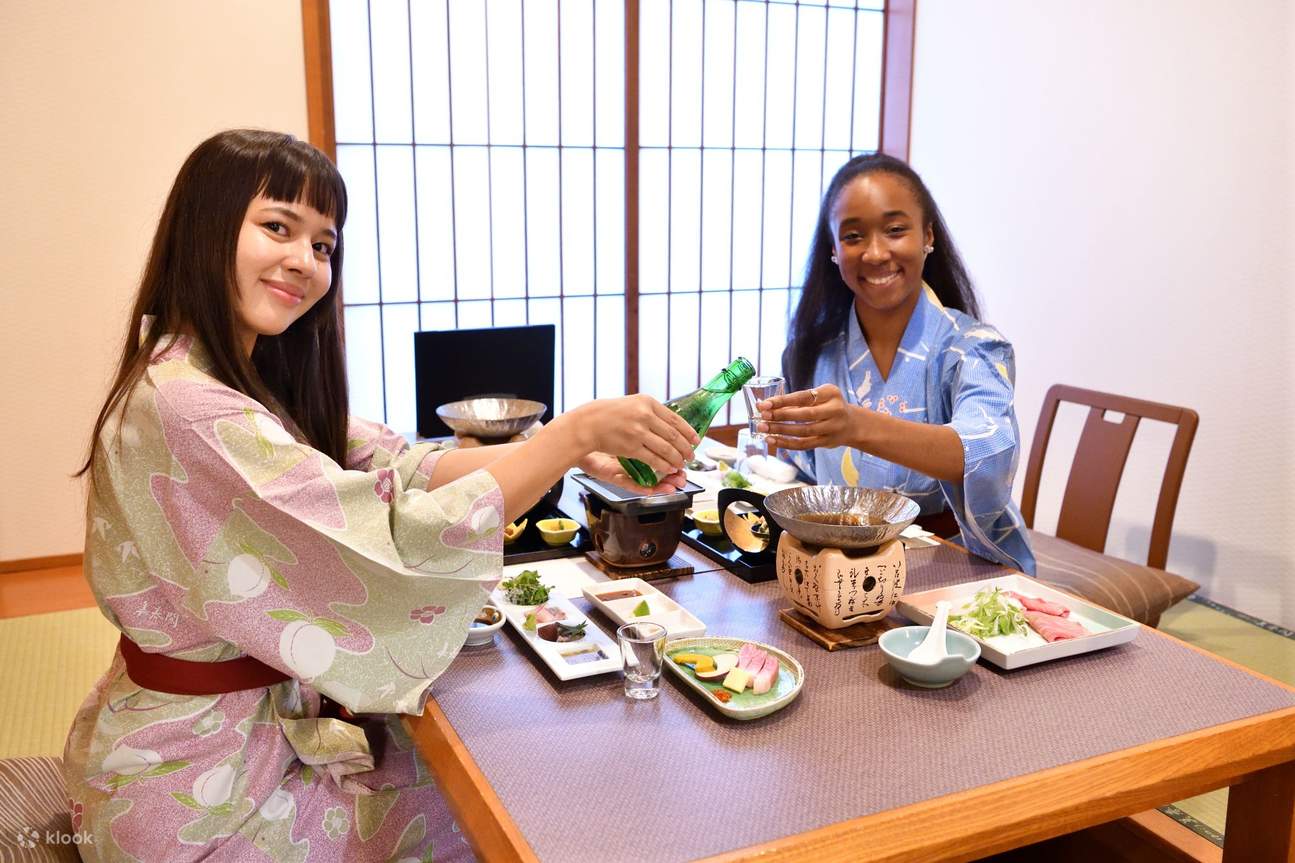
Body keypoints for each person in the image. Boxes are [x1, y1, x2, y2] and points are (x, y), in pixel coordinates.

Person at [64, 129, 696, 862]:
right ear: (204, 226)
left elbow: (398, 470)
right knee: (500, 812)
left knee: (492, 778)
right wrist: (565, 437)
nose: (305, 261)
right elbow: (380, 537)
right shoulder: (188, 407)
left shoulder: (236, 376)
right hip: (195, 790)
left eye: (325, 245)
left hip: (217, 743)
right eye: (278, 227)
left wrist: (569, 446)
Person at [756, 153, 1034, 573]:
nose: (875, 253)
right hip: (834, 568)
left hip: (952, 567)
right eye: (853, 236)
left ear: (927, 236)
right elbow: (804, 476)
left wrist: (856, 426)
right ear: (833, 249)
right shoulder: (811, 350)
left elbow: (987, 452)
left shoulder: (973, 347)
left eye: (895, 230)